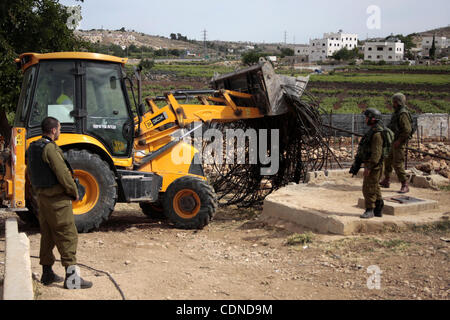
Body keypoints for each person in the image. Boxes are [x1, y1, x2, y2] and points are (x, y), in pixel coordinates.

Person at [26, 117, 92, 289]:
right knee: (67, 235)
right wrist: (74, 192)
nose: (60, 132)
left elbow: (30, 172)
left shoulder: (33, 147)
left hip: (42, 199)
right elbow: (63, 174)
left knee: (47, 236)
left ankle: (47, 274)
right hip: (57, 200)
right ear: (54, 130)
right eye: (60, 129)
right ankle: (72, 279)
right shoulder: (50, 149)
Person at [349, 108, 385, 219]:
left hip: (374, 165)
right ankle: (378, 209)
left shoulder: (377, 134)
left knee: (368, 188)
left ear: (373, 119)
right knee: (374, 187)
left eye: (367, 118)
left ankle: (370, 210)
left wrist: (369, 167)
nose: (365, 120)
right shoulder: (373, 131)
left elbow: (376, 153)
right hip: (373, 164)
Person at [379, 93, 412, 194]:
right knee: (387, 160)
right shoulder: (397, 112)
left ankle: (404, 184)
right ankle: (386, 180)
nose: (392, 104)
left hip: (398, 142)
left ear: (398, 102)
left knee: (398, 164)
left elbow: (407, 130)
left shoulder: (403, 113)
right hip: (392, 141)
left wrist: (399, 141)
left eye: (394, 102)